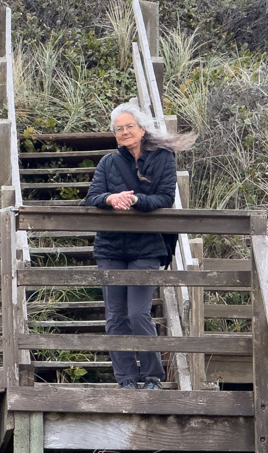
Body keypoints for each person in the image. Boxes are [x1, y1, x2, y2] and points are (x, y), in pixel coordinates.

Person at [84, 100, 196, 389]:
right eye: (119, 129)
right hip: (110, 247)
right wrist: (110, 199)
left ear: (142, 129)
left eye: (129, 126)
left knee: (138, 312)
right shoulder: (108, 162)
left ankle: (152, 376)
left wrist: (134, 200)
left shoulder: (163, 158)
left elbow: (164, 198)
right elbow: (92, 197)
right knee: (116, 316)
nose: (124, 132)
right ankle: (126, 379)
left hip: (147, 245)